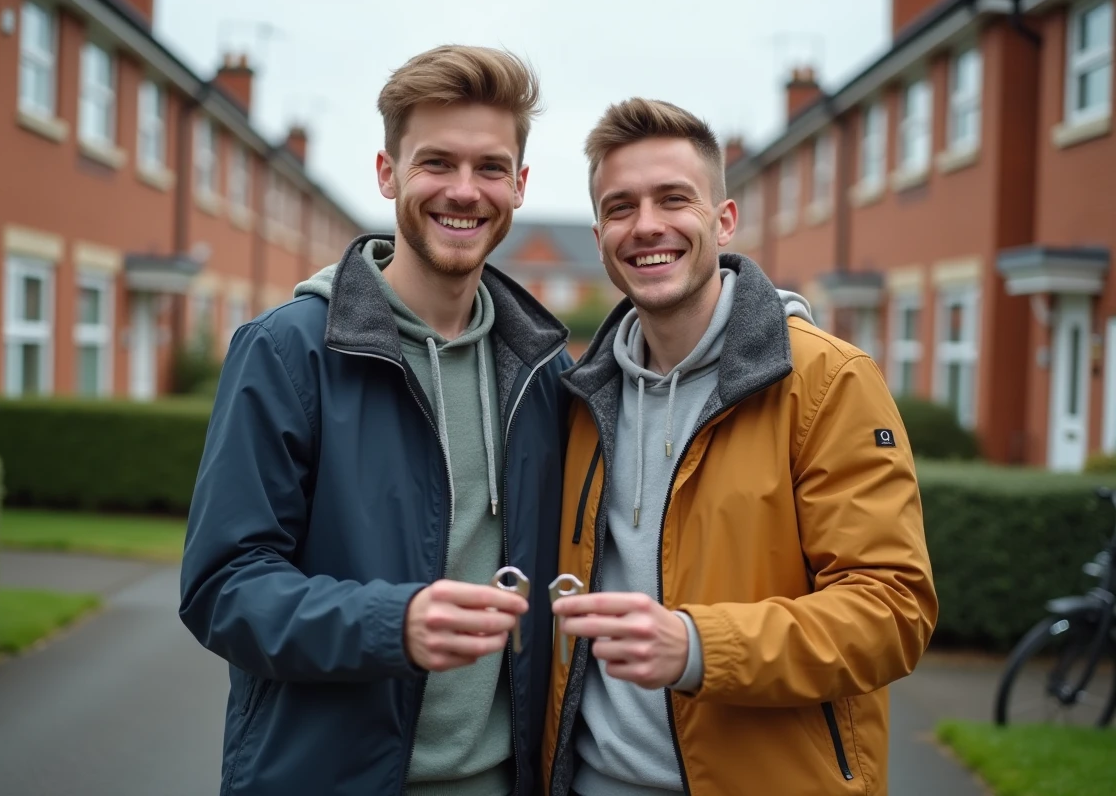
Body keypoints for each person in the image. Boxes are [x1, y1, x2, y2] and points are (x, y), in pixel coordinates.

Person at [179, 45, 573, 796]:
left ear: (519, 185)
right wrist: (393, 623)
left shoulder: (542, 370)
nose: (465, 190)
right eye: (437, 163)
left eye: (491, 167)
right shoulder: (288, 350)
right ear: (388, 173)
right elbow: (224, 586)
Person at [541, 98, 938, 796]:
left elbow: (892, 610)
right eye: (621, 207)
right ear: (601, 236)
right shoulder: (580, 396)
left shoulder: (827, 380)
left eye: (674, 199)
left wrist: (697, 647)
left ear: (723, 221)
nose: (647, 225)